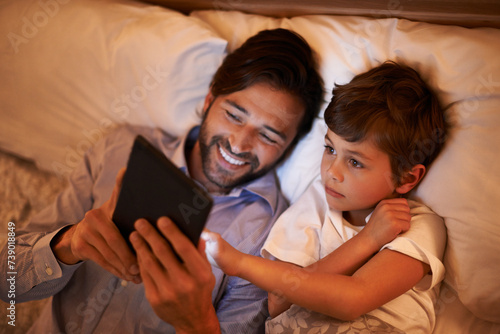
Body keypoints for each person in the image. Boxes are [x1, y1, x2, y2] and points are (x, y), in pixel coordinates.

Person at [0, 28, 324, 333]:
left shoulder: (274, 236)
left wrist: (195, 322)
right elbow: (6, 281)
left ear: (289, 146)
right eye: (234, 115)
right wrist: (67, 244)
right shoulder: (119, 149)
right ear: (209, 100)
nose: (239, 144)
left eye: (268, 135)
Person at [203, 61, 450, 333]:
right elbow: (279, 299)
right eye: (330, 148)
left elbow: (355, 298)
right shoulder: (315, 203)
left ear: (407, 178)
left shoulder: (415, 225)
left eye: (355, 162)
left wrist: (240, 264)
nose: (332, 171)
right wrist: (368, 240)